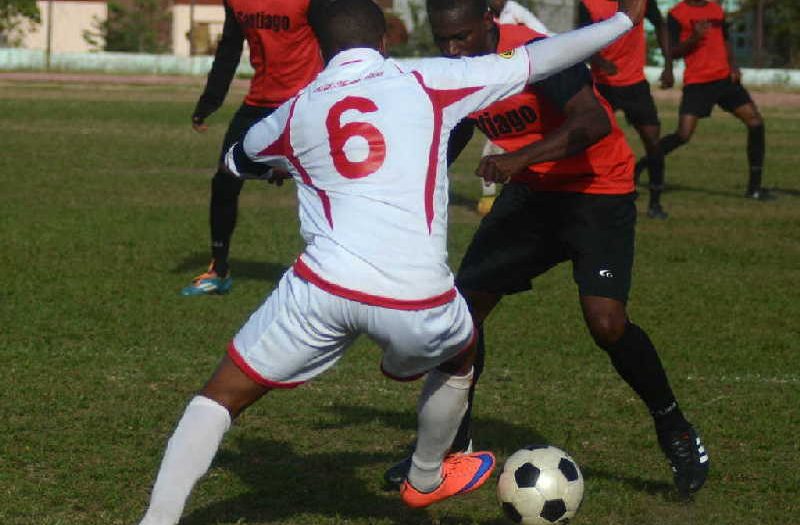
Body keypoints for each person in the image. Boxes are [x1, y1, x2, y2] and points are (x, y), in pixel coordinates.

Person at [136, 0, 646, 522]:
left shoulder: (297, 109)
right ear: (385, 40)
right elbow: (540, 59)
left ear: (319, 48)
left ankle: (157, 519)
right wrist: (621, 23)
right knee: (462, 348)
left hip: (321, 290)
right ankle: (426, 476)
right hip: (417, 297)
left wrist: (282, 167)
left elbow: (237, 158)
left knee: (220, 397)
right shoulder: (429, 80)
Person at [384, 0, 709, 497]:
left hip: (597, 192)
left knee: (606, 323)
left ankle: (676, 430)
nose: (452, 50)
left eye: (462, 38)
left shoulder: (536, 54)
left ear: (489, 23)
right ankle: (452, 446)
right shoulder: (459, 69)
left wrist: (520, 158)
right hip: (533, 195)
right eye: (443, 40)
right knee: (463, 316)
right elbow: (456, 126)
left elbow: (592, 122)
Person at [181, 0, 324, 296]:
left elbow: (338, 43)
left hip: (306, 104)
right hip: (259, 104)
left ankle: (336, 274)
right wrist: (210, 101)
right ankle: (218, 270)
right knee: (224, 179)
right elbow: (230, 49)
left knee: (329, 186)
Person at [635, 0, 772, 200]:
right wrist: (694, 38)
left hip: (724, 79)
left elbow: (725, 40)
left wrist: (733, 65)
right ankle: (643, 164)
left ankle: (754, 189)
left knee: (755, 122)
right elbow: (672, 51)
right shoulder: (677, 13)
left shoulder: (715, 9)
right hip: (698, 82)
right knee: (683, 135)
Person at [578, 0, 673, 219]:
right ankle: (589, 198)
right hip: (602, 84)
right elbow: (581, 39)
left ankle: (655, 203)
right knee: (592, 144)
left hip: (635, 84)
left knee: (652, 141)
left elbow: (661, 25)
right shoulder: (588, 3)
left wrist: (668, 66)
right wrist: (600, 61)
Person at [477, 0, 552, 216]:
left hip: (516, 82)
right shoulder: (479, 13)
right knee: (494, 143)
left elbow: (543, 35)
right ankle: (489, 197)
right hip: (492, 83)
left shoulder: (516, 13)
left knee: (515, 141)